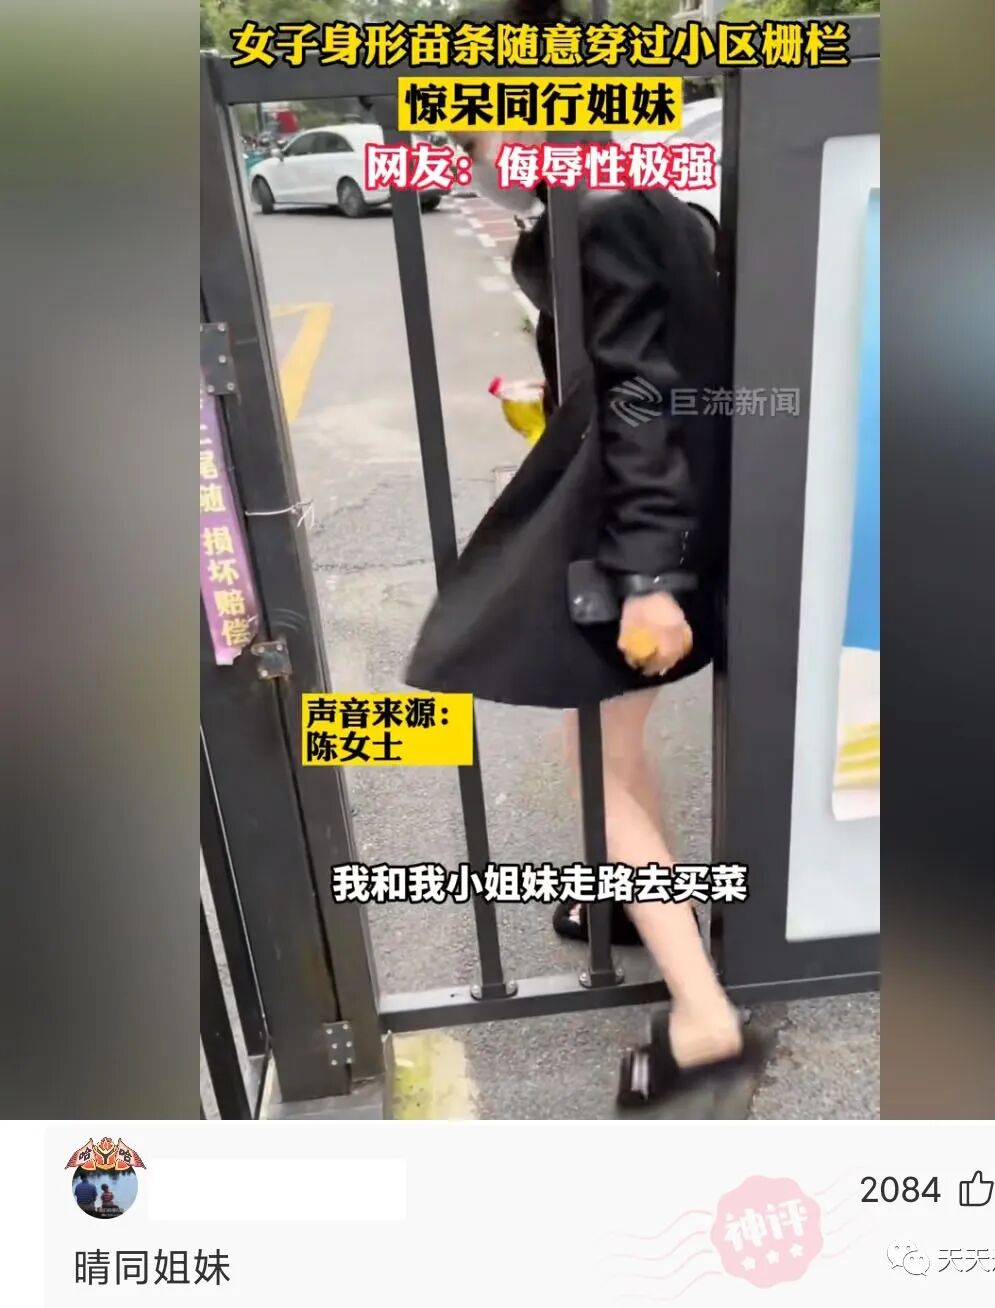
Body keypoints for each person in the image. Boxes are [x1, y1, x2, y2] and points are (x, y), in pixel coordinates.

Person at [405, 0, 762, 1108]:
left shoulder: (594, 204)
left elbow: (645, 389)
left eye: (469, 115)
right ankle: (640, 906)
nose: (466, 144)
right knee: (609, 740)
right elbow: (654, 366)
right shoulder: (634, 186)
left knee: (595, 761)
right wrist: (567, 398)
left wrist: (650, 580)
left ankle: (706, 1023)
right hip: (671, 509)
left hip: (645, 528)